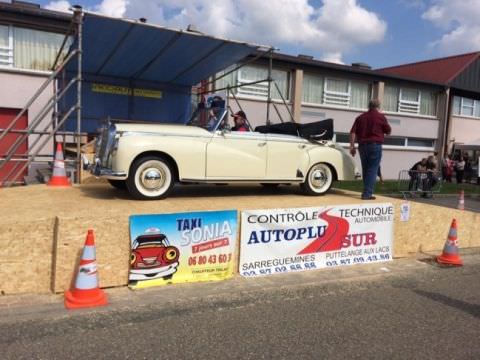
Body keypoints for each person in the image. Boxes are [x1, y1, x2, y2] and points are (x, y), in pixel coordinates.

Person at [350, 99, 391, 200]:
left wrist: (352, 146)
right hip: (375, 145)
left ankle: (368, 192)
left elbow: (352, 132)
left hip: (362, 146)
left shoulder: (360, 117)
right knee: (372, 169)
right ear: (378, 106)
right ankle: (367, 194)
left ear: (368, 106)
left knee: (366, 169)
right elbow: (388, 131)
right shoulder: (381, 117)